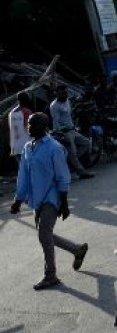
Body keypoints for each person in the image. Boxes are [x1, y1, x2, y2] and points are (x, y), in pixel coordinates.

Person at [10, 113, 89, 290]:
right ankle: (77, 250)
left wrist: (65, 203)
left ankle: (50, 275)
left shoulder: (54, 148)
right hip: (36, 198)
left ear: (43, 126)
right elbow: (22, 175)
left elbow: (63, 176)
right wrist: (18, 200)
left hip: (52, 198)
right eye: (28, 124)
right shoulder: (28, 148)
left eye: (32, 124)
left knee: (43, 234)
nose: (28, 127)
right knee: (44, 235)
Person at [48, 86, 94, 180]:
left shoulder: (67, 101)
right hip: (64, 132)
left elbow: (69, 115)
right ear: (57, 94)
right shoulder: (54, 106)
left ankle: (70, 161)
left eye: (65, 92)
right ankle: (82, 172)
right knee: (73, 154)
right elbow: (55, 122)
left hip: (72, 129)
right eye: (61, 93)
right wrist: (60, 134)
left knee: (86, 143)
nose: (64, 94)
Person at [8, 91, 33, 163]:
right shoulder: (27, 112)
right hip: (25, 143)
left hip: (15, 144)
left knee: (21, 167)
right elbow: (28, 127)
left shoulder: (12, 112)